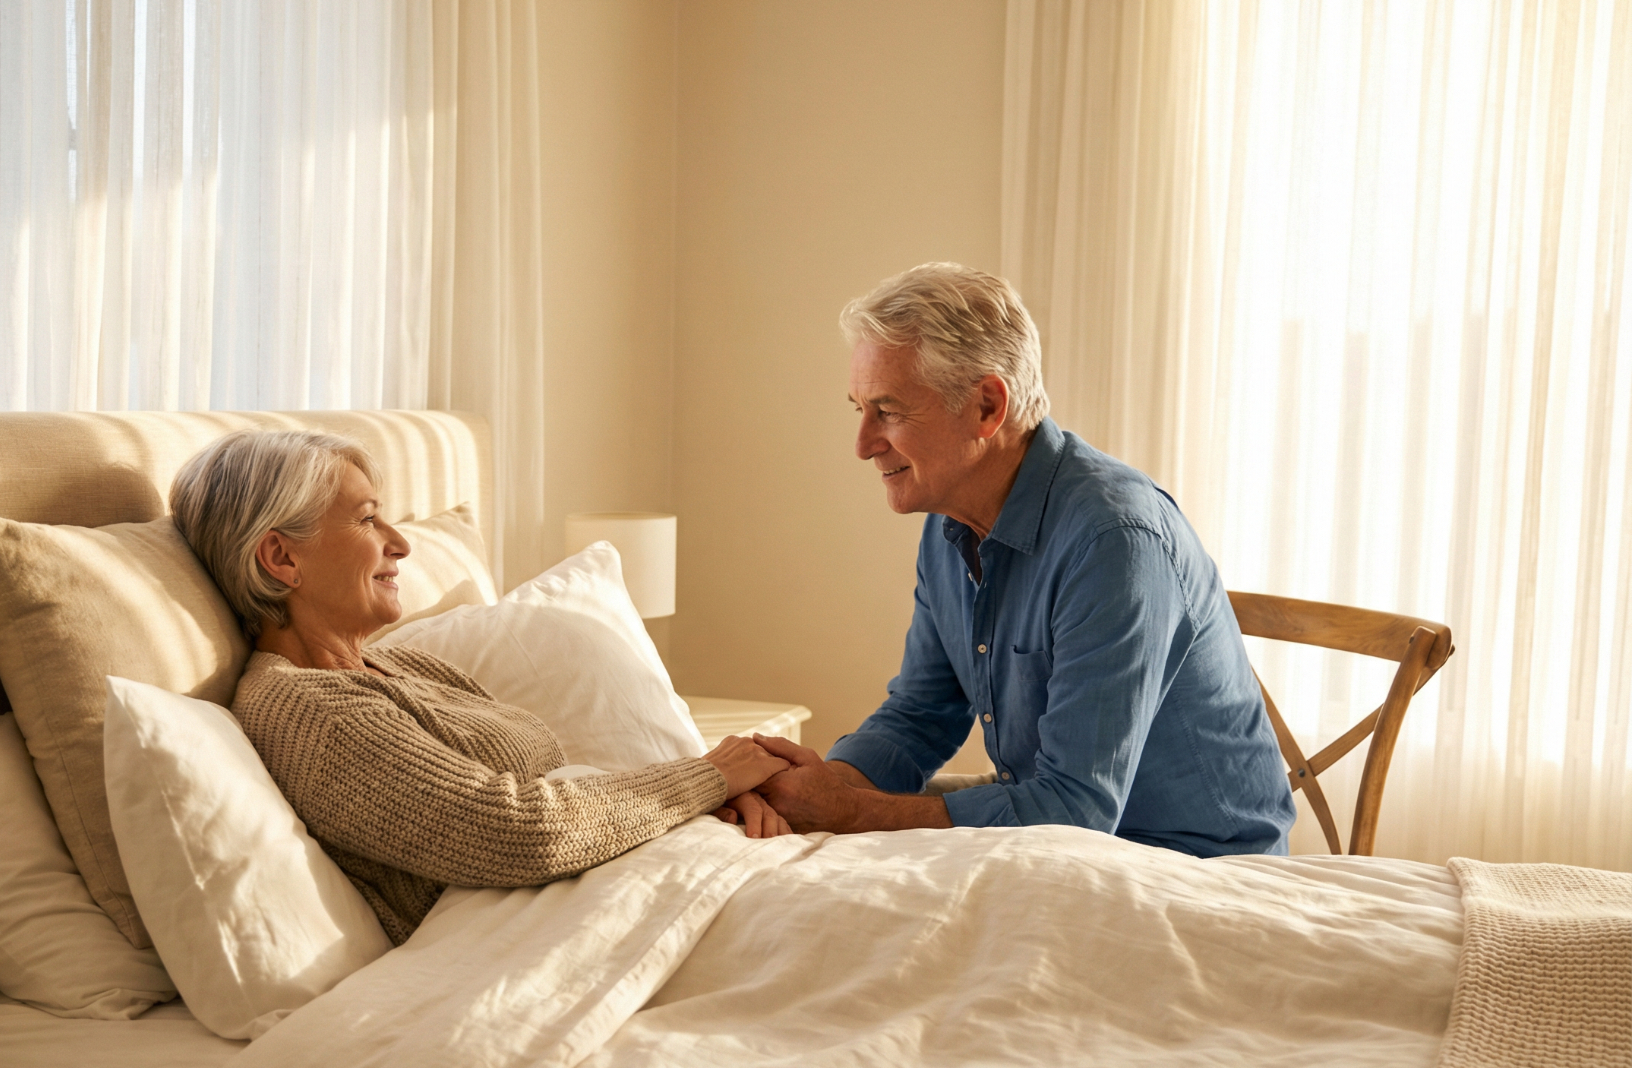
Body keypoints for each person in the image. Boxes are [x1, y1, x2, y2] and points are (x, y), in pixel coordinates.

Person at [745, 263, 1296, 857]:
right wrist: (822, 788)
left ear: (986, 405)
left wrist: (854, 812)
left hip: (1194, 864)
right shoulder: (949, 522)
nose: (863, 444)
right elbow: (921, 713)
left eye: (889, 410)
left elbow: (1074, 814)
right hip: (1066, 832)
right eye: (859, 408)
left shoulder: (1115, 539)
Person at [170, 429, 794, 944]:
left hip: (620, 880)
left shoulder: (405, 670)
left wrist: (692, 809)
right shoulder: (308, 710)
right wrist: (706, 776)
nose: (400, 543)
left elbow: (554, 801)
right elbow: (517, 831)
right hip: (541, 933)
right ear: (281, 559)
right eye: (366, 520)